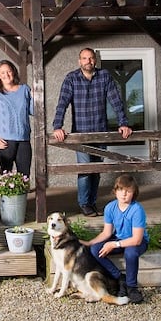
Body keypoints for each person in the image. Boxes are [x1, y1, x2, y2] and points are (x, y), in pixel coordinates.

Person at [52, 47, 132, 217]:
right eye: (84, 58)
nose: (88, 61)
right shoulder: (71, 79)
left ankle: (92, 202)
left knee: (96, 170)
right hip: (80, 133)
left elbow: (116, 101)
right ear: (79, 61)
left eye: (91, 58)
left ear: (95, 60)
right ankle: (84, 204)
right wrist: (57, 126)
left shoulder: (105, 76)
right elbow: (62, 104)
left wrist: (123, 123)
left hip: (101, 131)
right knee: (85, 170)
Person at [83, 174, 148, 304]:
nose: (124, 194)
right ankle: (120, 278)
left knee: (131, 253)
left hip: (137, 241)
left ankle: (131, 287)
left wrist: (114, 244)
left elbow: (136, 240)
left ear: (134, 193)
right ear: (115, 191)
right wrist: (90, 243)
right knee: (96, 249)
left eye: (128, 191)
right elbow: (106, 233)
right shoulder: (110, 207)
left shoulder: (137, 209)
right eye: (120, 190)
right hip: (119, 238)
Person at [0, 59, 33, 176]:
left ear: (13, 72)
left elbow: (33, 111)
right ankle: (6, 196)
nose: (7, 75)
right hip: (4, 141)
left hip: (23, 139)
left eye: (9, 71)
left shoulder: (24, 89)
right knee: (6, 174)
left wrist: (34, 97)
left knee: (24, 175)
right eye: (3, 72)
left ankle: (23, 195)